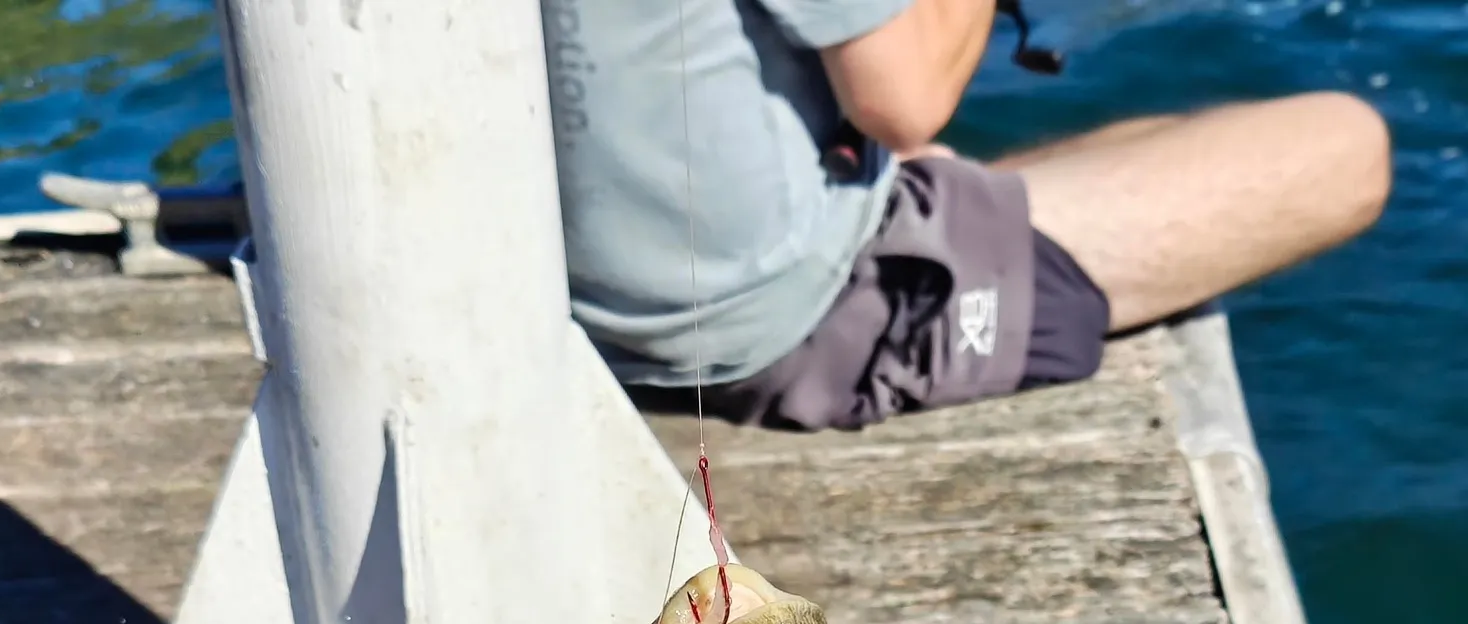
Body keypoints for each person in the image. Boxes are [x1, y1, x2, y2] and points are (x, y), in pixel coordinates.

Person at [540, 0, 1391, 432]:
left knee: (1159, 142)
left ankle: (967, 216)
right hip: (757, 325)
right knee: (1345, 146)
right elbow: (907, 102)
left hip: (558, 282)